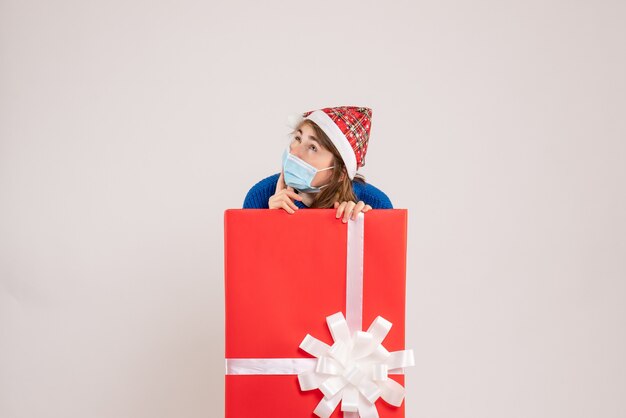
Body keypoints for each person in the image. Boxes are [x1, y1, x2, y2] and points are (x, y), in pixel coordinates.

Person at [243, 106, 392, 222]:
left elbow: (383, 260)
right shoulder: (259, 198)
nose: (294, 152)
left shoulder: (377, 205)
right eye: (298, 138)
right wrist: (269, 223)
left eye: (313, 147)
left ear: (339, 172)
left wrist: (360, 228)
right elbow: (246, 261)